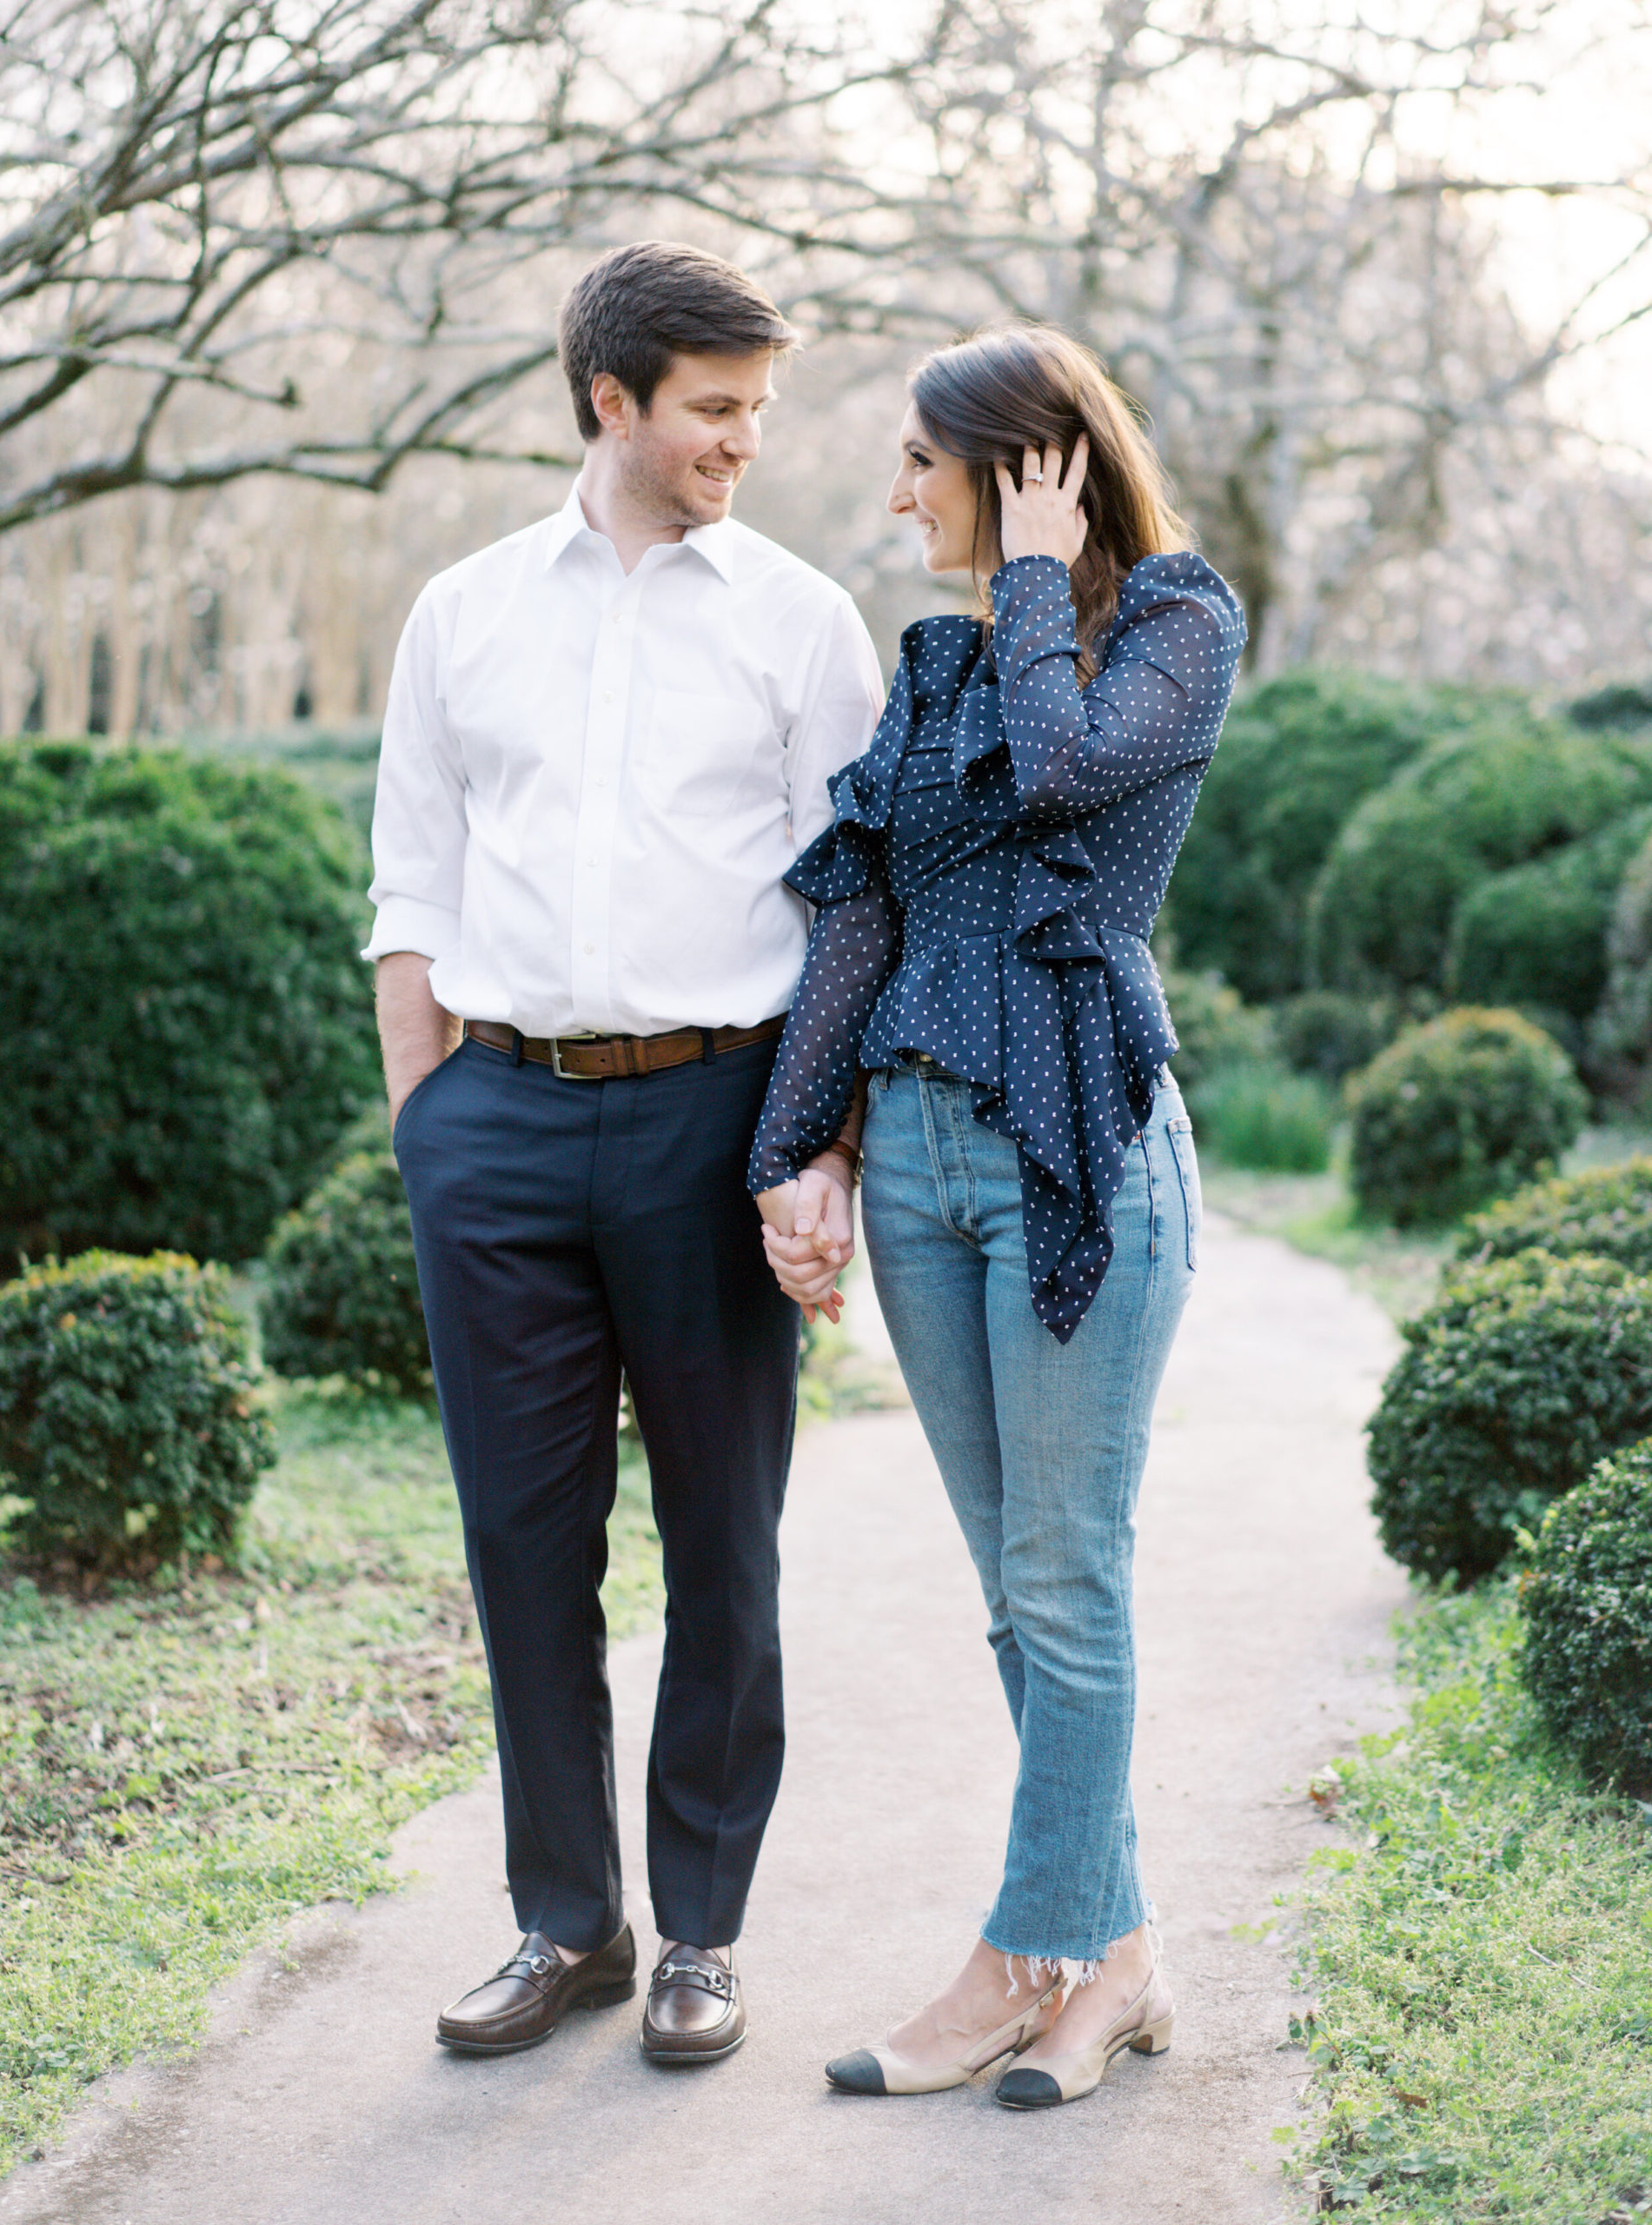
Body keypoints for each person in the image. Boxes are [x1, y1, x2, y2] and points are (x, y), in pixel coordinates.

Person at [367, 240, 883, 2068]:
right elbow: (411, 878)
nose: (746, 441)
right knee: (523, 1540)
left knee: (722, 1541)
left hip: (714, 1110)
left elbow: (856, 904)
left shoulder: (800, 619)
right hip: (494, 1122)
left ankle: (705, 1932)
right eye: (716, 411)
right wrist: (431, 1115)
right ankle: (566, 1919)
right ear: (614, 401)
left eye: (760, 408)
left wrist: (814, 1141)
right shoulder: (467, 609)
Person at [749, 323, 1245, 2107]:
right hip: (927, 1171)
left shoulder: (1178, 622)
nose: (893, 495)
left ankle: (1003, 1969)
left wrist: (1039, 580)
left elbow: (1060, 775)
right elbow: (867, 915)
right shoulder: (940, 656)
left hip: (1082, 1149)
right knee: (1012, 1582)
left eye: (917, 461)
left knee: (1065, 1568)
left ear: (1027, 466)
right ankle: (1115, 1962)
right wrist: (794, 1150)